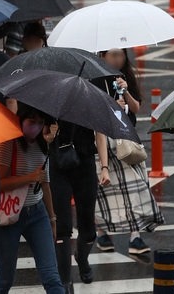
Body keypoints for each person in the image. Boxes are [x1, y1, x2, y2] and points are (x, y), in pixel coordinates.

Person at [95, 49, 164, 254]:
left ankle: (136, 235)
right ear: (102, 56)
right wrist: (113, 107)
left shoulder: (125, 77)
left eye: (121, 55)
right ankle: (102, 232)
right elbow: (92, 114)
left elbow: (135, 108)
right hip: (104, 141)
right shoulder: (95, 80)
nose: (119, 59)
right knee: (106, 190)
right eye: (114, 55)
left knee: (136, 185)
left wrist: (125, 91)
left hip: (127, 139)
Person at [0, 104, 64, 294]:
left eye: (40, 123)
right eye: (32, 122)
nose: (37, 127)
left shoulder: (42, 143)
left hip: (37, 213)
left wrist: (52, 219)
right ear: (20, 120)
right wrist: (29, 178)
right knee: (4, 279)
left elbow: (45, 183)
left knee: (51, 276)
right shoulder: (7, 144)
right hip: (10, 217)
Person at [50, 119, 110, 293]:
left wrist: (104, 167)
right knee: (62, 227)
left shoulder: (88, 96)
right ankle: (65, 283)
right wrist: (49, 135)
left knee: (88, 229)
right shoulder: (51, 99)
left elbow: (100, 135)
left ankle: (82, 259)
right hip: (58, 164)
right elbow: (41, 135)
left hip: (85, 163)